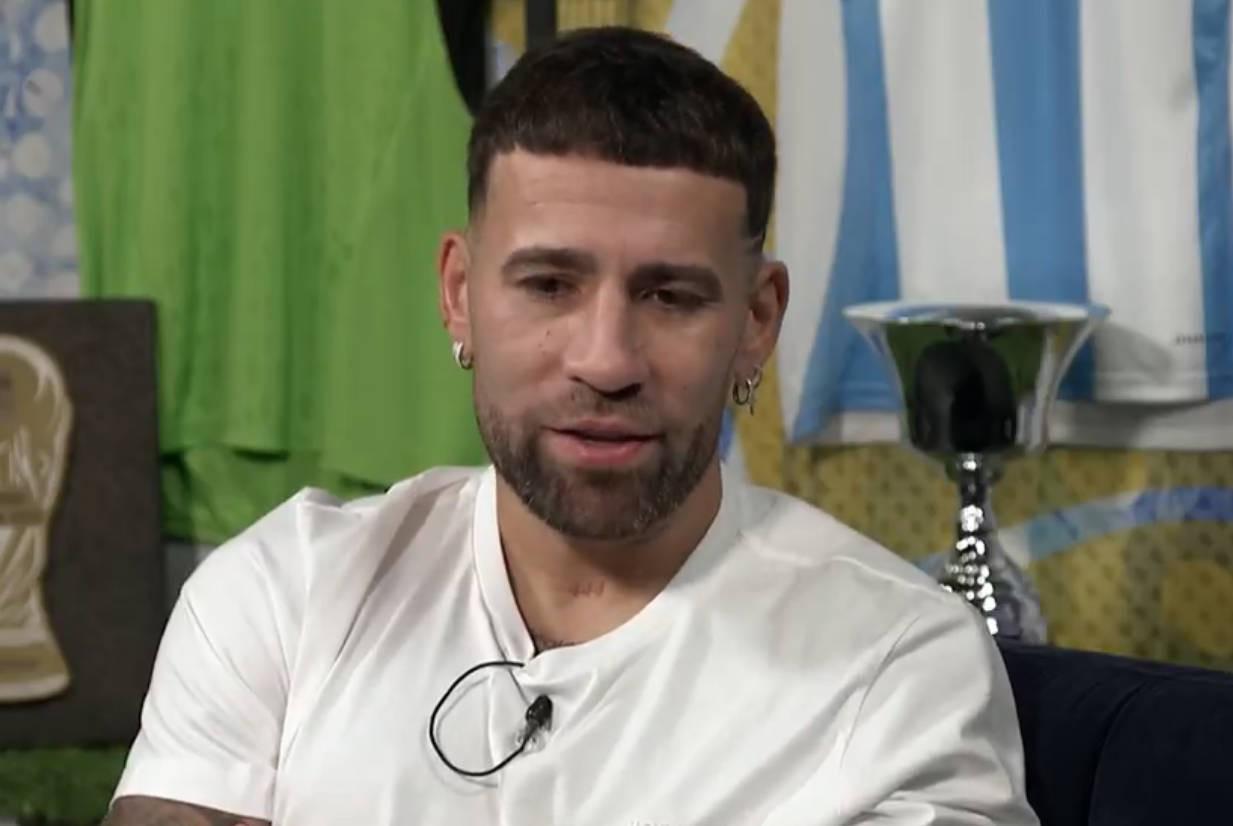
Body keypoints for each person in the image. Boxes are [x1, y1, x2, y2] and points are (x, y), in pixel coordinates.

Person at [104, 26, 1038, 826]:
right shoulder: (285, 595)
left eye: (669, 296)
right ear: (460, 295)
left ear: (756, 321)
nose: (605, 360)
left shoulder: (897, 670)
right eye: (549, 284)